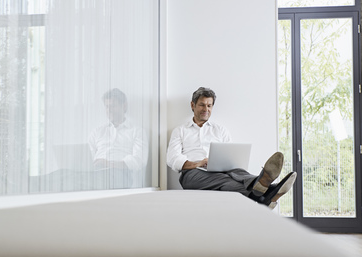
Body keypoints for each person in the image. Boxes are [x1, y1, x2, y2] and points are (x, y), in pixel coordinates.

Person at [167, 87, 296, 209]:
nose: (205, 108)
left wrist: (222, 164)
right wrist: (198, 163)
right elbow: (172, 158)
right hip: (192, 175)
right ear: (192, 105)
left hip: (220, 172)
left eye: (209, 105)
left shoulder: (220, 130)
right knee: (224, 179)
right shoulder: (180, 131)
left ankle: (263, 192)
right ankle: (269, 189)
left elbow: (230, 156)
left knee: (237, 172)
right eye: (202, 104)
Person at [88, 88, 148, 188]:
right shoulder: (97, 132)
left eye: (113, 106)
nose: (109, 110)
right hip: (96, 172)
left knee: (99, 179)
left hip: (121, 174)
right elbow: (89, 156)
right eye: (107, 107)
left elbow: (139, 160)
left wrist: (109, 164)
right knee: (61, 174)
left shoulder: (136, 131)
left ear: (124, 106)